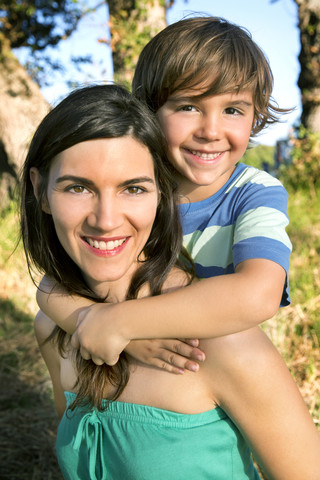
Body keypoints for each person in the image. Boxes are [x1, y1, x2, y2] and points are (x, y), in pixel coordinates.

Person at [21, 84, 320, 480]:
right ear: (40, 191)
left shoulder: (220, 345)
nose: (105, 219)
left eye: (133, 188)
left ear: (162, 195)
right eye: (78, 187)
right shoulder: (53, 327)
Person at [37, 16, 292, 371]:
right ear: (150, 110)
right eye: (188, 106)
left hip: (218, 365)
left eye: (233, 110)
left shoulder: (254, 194)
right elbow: (54, 285)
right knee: (47, 325)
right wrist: (119, 334)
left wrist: (123, 323)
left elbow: (259, 293)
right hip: (145, 359)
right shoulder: (136, 191)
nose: (211, 131)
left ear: (255, 117)